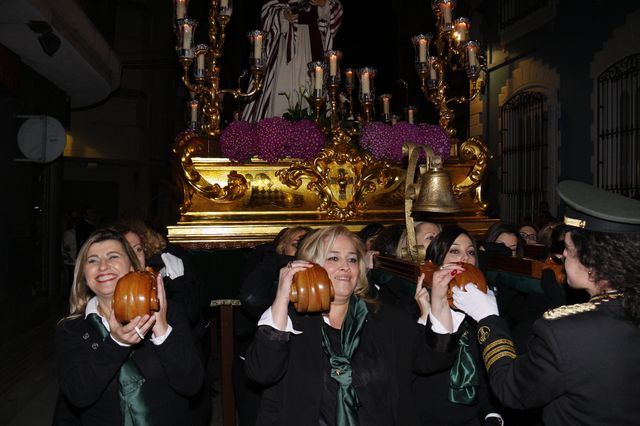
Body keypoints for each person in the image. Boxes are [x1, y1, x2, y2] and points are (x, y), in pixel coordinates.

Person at [452, 180, 640, 425]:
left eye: (568, 249)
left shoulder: (565, 333)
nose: (561, 255)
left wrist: (488, 318)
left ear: (591, 260)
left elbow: (512, 389)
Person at [245, 225, 462, 425]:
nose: (345, 267)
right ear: (309, 267)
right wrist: (282, 297)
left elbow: (432, 360)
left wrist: (440, 302)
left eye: (351, 259)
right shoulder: (288, 321)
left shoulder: (387, 318)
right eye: (333, 258)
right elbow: (262, 373)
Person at [54, 229, 204, 425]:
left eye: (113, 256)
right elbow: (77, 394)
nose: (103, 266)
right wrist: (116, 344)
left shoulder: (167, 312)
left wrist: (162, 331)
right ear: (83, 273)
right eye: (92, 260)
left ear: (133, 266)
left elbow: (191, 384)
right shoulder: (72, 329)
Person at [113, 220, 212, 425]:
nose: (132, 256)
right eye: (122, 250)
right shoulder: (91, 316)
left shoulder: (167, 306)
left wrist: (163, 328)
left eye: (138, 249)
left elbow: (191, 382)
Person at [413, 226, 503, 426]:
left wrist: (492, 413)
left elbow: (488, 368)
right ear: (437, 259)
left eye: (470, 252)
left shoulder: (482, 305)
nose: (465, 259)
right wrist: (426, 315)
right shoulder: (414, 305)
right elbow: (416, 367)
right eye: (454, 251)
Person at [235, 225, 312, 426]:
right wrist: (279, 263)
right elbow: (252, 298)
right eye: (296, 245)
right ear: (281, 249)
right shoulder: (267, 274)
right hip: (263, 358)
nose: (303, 251)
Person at [241, 0, 344, 121]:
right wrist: (283, 15)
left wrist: (323, 4)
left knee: (310, 87)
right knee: (281, 88)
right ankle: (276, 132)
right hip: (284, 44)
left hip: (311, 43)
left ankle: (309, 131)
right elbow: (267, 10)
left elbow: (336, 9)